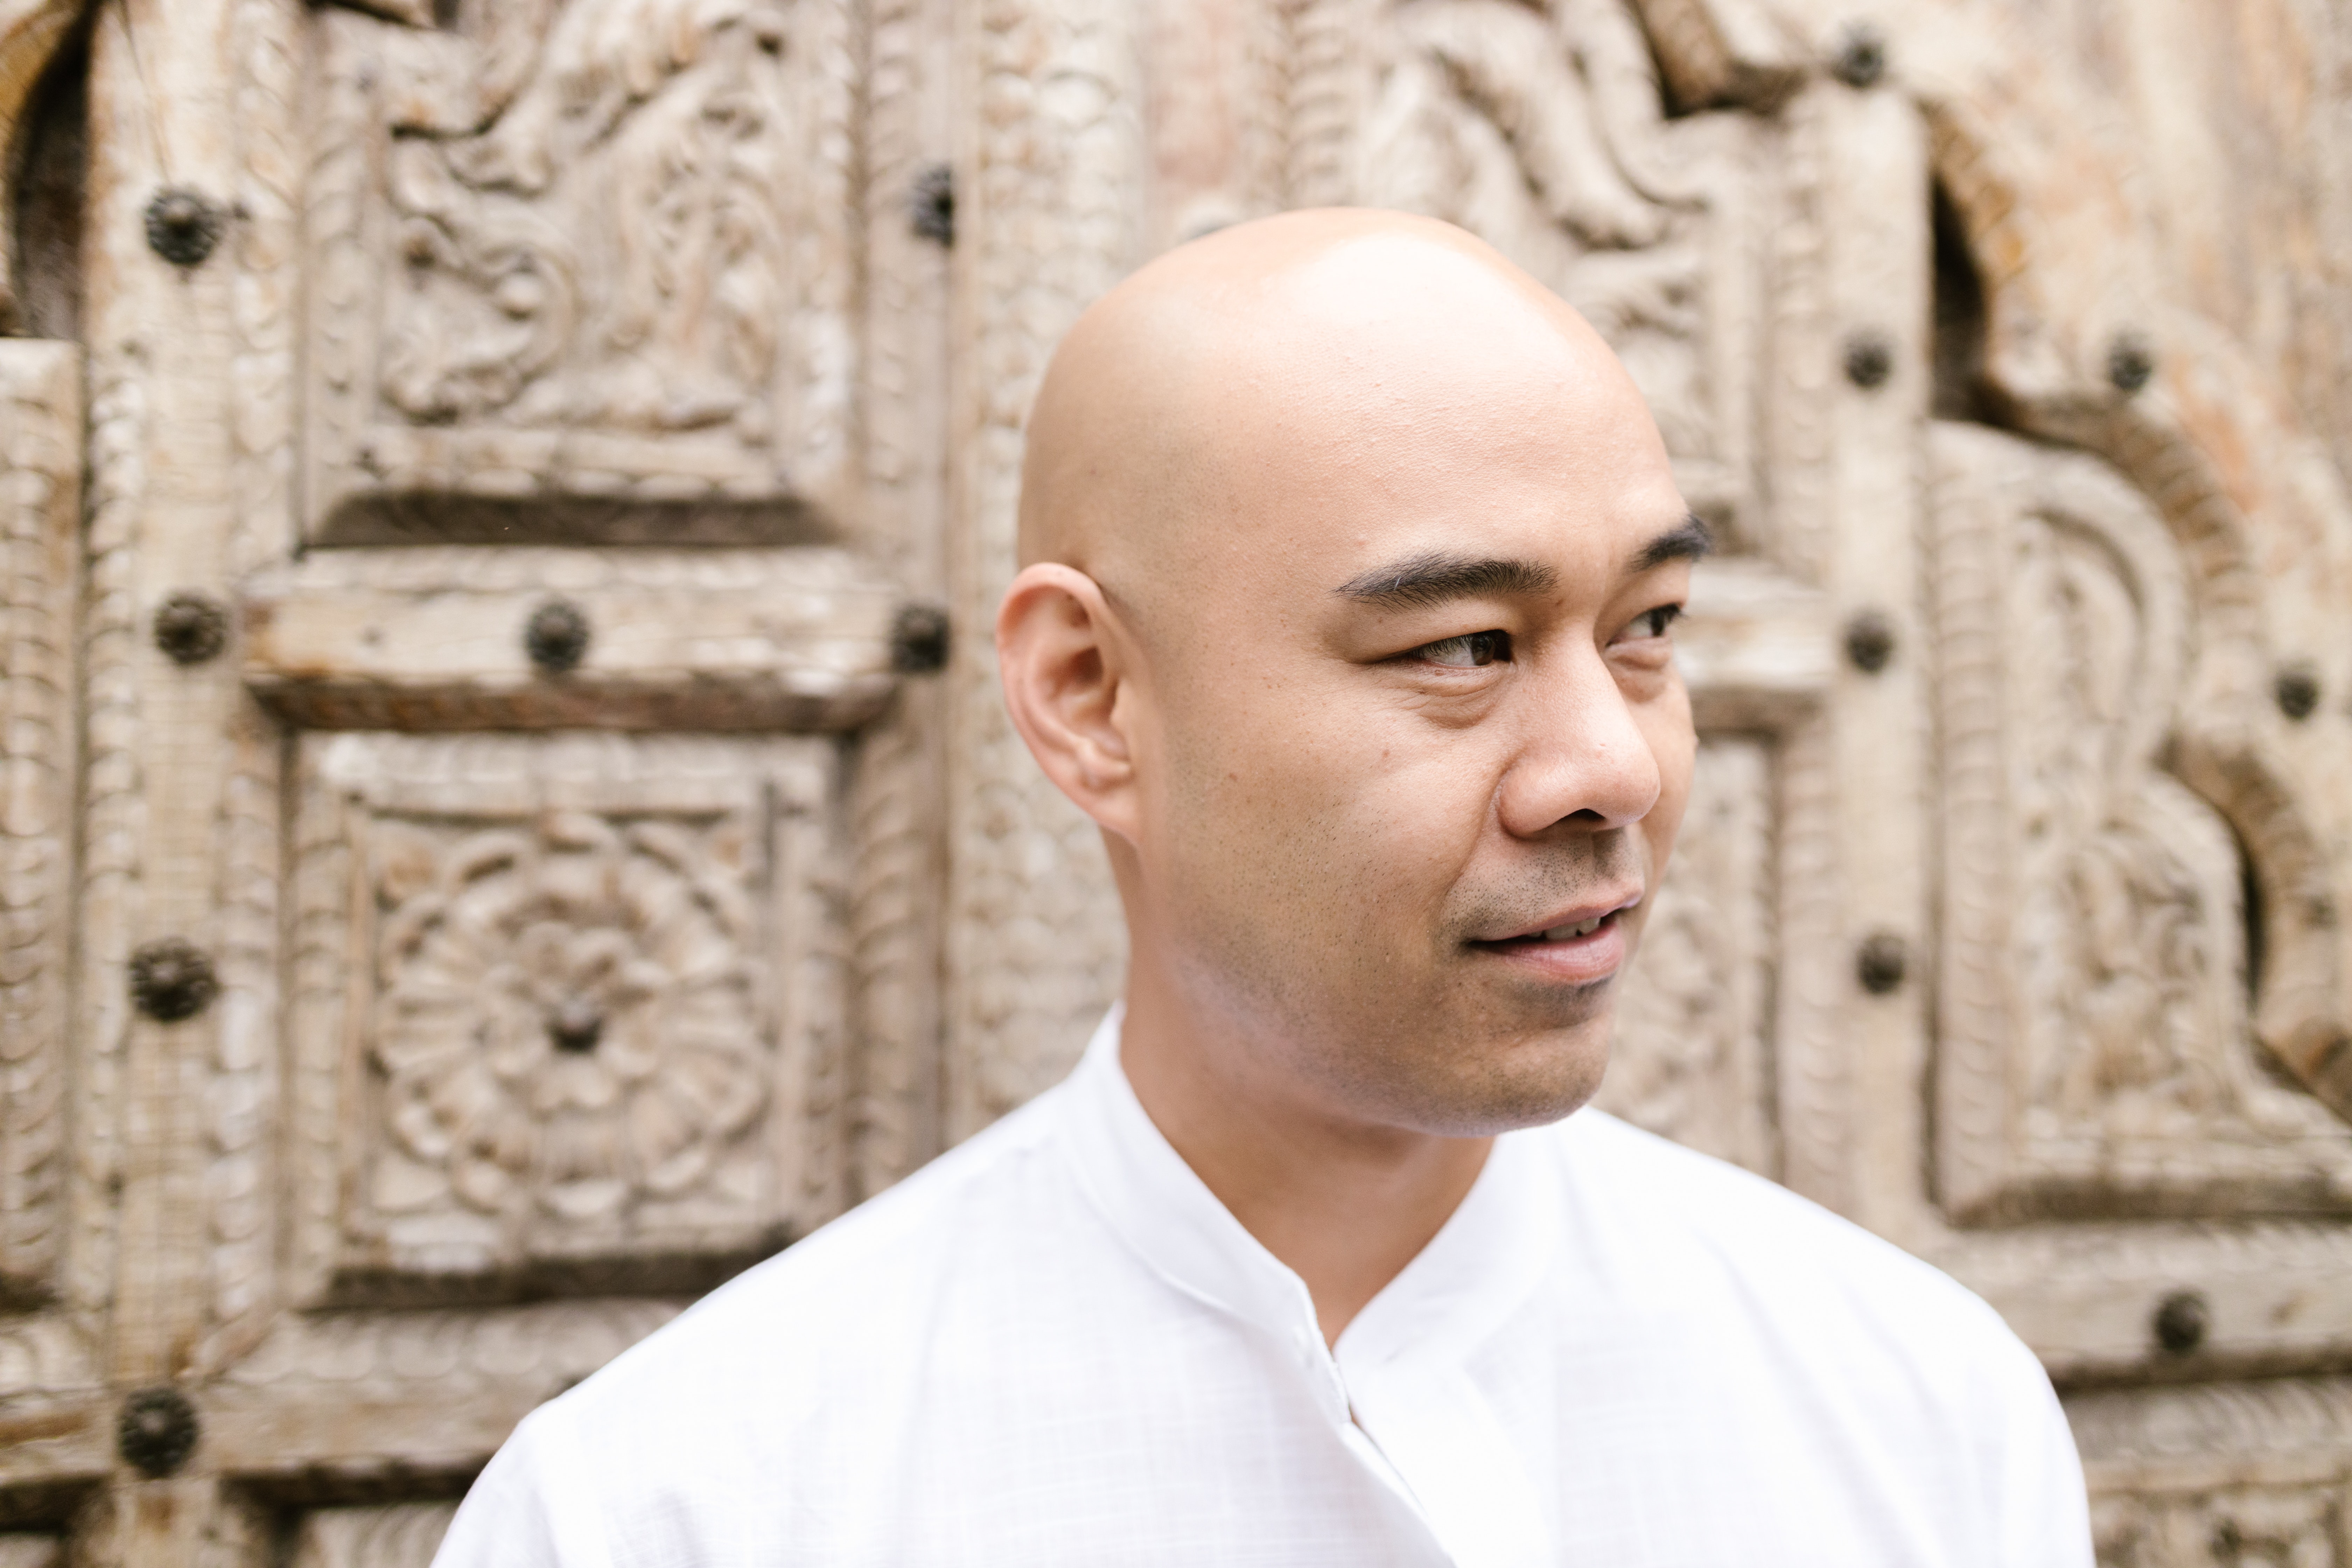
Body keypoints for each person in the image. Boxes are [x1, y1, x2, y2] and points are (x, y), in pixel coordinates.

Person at [432, 209, 2094, 1566]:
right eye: (1463, 646)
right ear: (1090, 697)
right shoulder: (683, 1508)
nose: (1617, 766)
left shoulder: (1918, 1417)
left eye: (1646, 627)